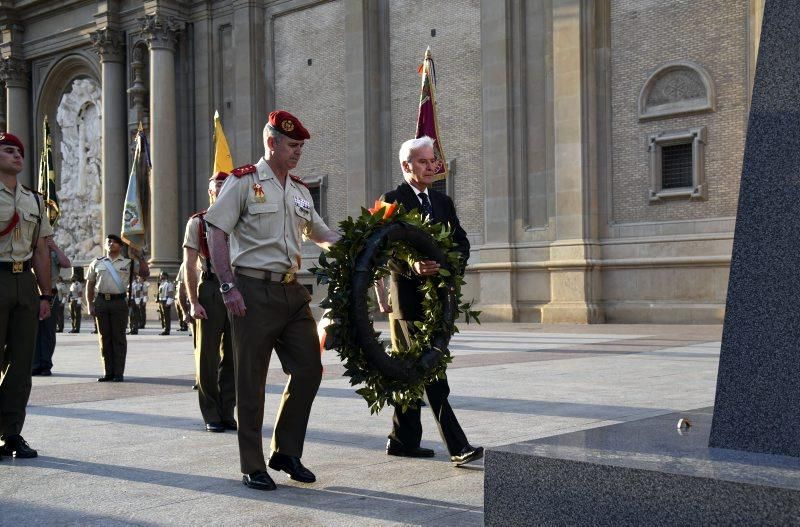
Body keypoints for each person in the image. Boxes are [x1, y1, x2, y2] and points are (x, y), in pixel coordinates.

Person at [205, 110, 340, 491]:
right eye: (293, 145)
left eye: (301, 146)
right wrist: (227, 286)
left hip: (292, 290)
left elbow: (321, 232)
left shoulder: (298, 190)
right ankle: (253, 464)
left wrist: (361, 241)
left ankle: (285, 452)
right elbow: (216, 230)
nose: (298, 152)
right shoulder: (244, 182)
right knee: (251, 379)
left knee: (309, 369)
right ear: (272, 142)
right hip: (251, 290)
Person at [375, 136, 483, 466]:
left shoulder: (442, 202)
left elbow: (461, 242)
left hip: (439, 300)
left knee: (411, 371)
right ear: (407, 165)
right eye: (423, 161)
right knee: (432, 370)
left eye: (432, 160)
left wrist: (450, 270)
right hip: (407, 303)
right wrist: (412, 265)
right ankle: (457, 445)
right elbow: (381, 250)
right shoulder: (391, 201)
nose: (431, 166)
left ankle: (402, 440)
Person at [0, 132, 53, 460]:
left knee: (20, 366)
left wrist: (45, 295)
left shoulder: (34, 200)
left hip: (24, 285)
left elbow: (41, 251)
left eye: (19, 152)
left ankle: (11, 433)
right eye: (8, 151)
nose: (17, 156)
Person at [182, 173, 236, 433]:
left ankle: (228, 411)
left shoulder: (242, 219)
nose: (222, 189)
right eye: (217, 186)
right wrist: (193, 301)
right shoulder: (199, 222)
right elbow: (189, 265)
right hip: (211, 289)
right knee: (208, 357)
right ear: (210, 192)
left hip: (240, 289)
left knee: (235, 356)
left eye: (226, 186)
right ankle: (211, 413)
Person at [85, 234, 149, 382]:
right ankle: (108, 372)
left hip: (119, 302)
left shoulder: (128, 263)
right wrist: (89, 303)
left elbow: (145, 274)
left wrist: (140, 257)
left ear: (121, 246)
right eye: (109, 241)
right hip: (101, 301)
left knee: (118, 338)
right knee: (104, 337)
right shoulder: (97, 262)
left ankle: (118, 373)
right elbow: (90, 284)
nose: (111, 243)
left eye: (115, 242)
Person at [32, 238, 71, 375]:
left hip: (51, 295)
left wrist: (54, 247)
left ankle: (45, 364)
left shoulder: (53, 254)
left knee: (48, 331)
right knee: (33, 332)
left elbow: (66, 264)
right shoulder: (30, 252)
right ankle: (34, 364)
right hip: (32, 294)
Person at [174, 264, 189, 332]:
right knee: (180, 314)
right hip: (178, 298)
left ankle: (185, 326)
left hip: (187, 298)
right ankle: (182, 325)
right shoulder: (178, 283)